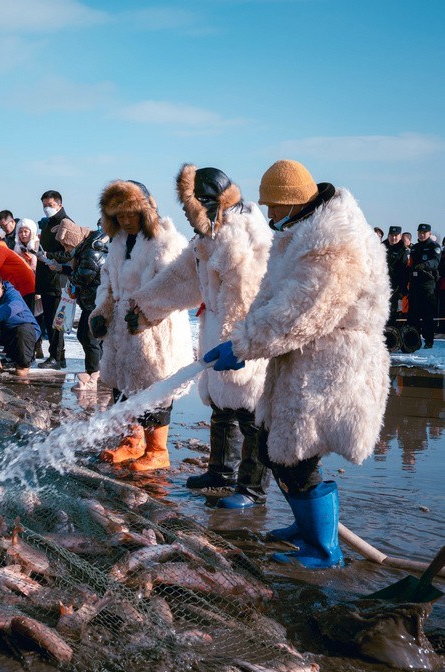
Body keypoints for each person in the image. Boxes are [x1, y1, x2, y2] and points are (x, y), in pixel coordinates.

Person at [206, 159, 389, 569]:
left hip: (330, 365)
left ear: (292, 202)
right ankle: (306, 527)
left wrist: (247, 343)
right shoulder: (302, 230)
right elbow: (275, 295)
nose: (270, 214)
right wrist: (243, 335)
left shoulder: (332, 242)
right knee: (279, 448)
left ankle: (323, 549)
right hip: (302, 357)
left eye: (274, 206)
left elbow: (304, 310)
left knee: (298, 455)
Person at [130, 165, 273, 505]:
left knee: (251, 413)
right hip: (218, 329)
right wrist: (145, 304)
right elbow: (183, 278)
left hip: (245, 332)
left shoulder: (240, 237)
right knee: (223, 408)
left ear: (207, 202)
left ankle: (252, 489)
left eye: (188, 204)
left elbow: (245, 296)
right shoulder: (209, 237)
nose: (184, 212)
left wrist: (240, 346)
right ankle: (221, 473)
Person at [89, 180, 193, 472]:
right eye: (119, 216)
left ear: (145, 211)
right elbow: (108, 281)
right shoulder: (118, 243)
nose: (125, 221)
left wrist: (147, 312)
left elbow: (177, 286)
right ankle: (132, 441)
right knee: (122, 386)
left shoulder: (167, 242)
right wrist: (102, 310)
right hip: (122, 330)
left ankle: (158, 450)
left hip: (156, 331)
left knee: (156, 388)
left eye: (130, 214)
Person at [54, 225, 108, 391]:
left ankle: (93, 376)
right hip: (91, 300)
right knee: (85, 336)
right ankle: (98, 371)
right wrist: (64, 269)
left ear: (73, 239)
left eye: (66, 244)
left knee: (89, 338)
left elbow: (84, 276)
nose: (66, 249)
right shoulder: (86, 248)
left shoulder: (91, 251)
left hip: (96, 301)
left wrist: (69, 275)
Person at [36, 190, 76, 368]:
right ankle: (59, 355)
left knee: (56, 320)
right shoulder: (48, 223)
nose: (47, 208)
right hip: (46, 277)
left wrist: (49, 256)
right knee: (50, 319)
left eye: (50, 205)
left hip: (57, 279)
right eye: (44, 205)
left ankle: (56, 357)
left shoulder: (66, 223)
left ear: (59, 204)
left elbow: (71, 253)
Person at [407, 223, 440, 348]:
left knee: (427, 313)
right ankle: (413, 340)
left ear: (429, 233)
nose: (421, 235)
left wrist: (425, 265)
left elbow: (435, 262)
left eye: (424, 233)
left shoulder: (433, 247)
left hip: (427, 283)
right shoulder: (415, 248)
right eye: (420, 232)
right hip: (415, 283)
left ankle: (429, 340)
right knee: (413, 313)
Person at [383, 226, 410, 326]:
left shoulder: (403, 250)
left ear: (400, 236)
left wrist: (402, 288)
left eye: (396, 236)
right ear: (388, 236)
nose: (393, 238)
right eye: (391, 235)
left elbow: (405, 272)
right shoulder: (382, 247)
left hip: (396, 286)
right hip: (382, 284)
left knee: (393, 310)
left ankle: (392, 330)